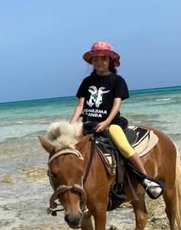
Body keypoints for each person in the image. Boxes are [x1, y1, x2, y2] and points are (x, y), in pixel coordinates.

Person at [70, 41, 164, 199]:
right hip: (88, 123)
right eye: (95, 59)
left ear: (110, 61)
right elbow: (80, 106)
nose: (99, 62)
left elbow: (116, 104)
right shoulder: (87, 82)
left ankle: (146, 180)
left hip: (110, 123)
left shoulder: (117, 80)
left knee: (124, 147)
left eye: (103, 59)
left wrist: (106, 122)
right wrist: (71, 126)